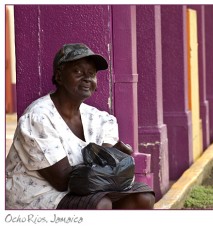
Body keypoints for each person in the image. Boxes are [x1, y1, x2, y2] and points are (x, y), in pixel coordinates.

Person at [5, 43, 155, 209]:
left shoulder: (98, 118)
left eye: (92, 74)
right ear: (59, 76)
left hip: (89, 188)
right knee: (101, 204)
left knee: (143, 198)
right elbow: (62, 181)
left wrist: (113, 162)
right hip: (39, 196)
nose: (87, 78)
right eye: (77, 71)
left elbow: (115, 165)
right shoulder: (38, 118)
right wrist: (108, 166)